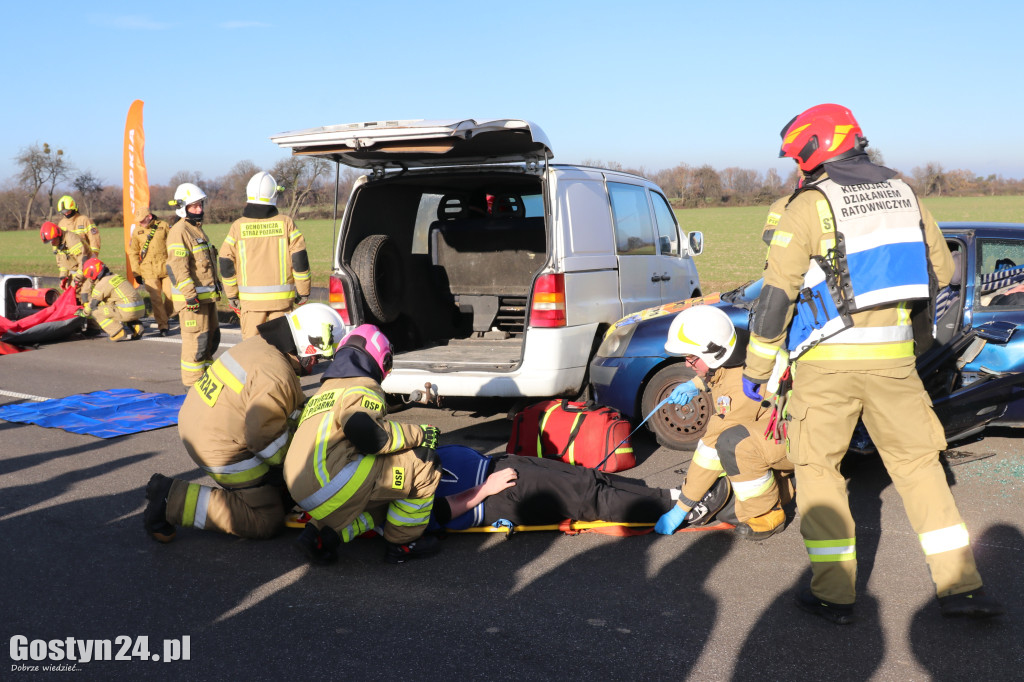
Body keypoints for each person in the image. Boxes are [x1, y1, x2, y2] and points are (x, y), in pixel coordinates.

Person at [744, 103, 1001, 623]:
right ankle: (962, 589)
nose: (797, 168)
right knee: (921, 470)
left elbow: (775, 298)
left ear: (813, 150)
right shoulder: (905, 194)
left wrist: (756, 371)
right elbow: (943, 271)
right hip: (896, 365)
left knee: (819, 471)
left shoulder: (809, 205)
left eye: (797, 158)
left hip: (825, 367)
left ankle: (833, 595)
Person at [143, 303, 346, 543]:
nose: (317, 364)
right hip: (221, 446)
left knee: (280, 489)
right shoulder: (276, 374)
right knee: (266, 518)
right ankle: (170, 499)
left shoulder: (263, 346)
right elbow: (263, 437)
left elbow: (288, 409)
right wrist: (293, 468)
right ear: (308, 345)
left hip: (202, 423)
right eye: (319, 357)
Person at [283, 324, 444, 565]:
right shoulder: (362, 387)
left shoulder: (325, 391)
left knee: (389, 493)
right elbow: (369, 435)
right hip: (330, 482)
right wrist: (420, 434)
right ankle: (403, 544)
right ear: (381, 360)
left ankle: (322, 536)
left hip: (302, 488)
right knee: (423, 461)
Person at [653, 305, 792, 540]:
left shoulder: (742, 387)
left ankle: (767, 513)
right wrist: (695, 384)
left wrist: (681, 508)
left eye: (691, 358)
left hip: (797, 439)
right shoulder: (738, 348)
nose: (687, 365)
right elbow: (721, 373)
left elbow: (710, 451)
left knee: (733, 443)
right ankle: (784, 483)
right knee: (729, 505)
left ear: (713, 354)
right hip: (783, 427)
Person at [430, 444, 691, 531]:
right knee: (587, 497)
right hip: (495, 492)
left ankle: (675, 496)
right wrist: (487, 489)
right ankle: (680, 507)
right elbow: (438, 512)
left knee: (589, 478)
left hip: (494, 464)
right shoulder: (399, 497)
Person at [219, 172, 311, 338]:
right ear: (273, 195)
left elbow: (226, 261)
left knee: (251, 349)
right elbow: (299, 259)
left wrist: (232, 294)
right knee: (282, 348)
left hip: (250, 304)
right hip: (281, 302)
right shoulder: (286, 223)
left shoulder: (238, 227)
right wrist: (303, 291)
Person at [166, 183, 220, 386]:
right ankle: (192, 389)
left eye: (200, 205)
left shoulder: (196, 230)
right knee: (195, 347)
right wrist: (190, 296)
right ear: (183, 207)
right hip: (193, 302)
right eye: (194, 206)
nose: (199, 209)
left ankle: (205, 385)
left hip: (206, 299)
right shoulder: (180, 231)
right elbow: (178, 267)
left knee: (209, 343)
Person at [127, 211, 175, 336]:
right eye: (139, 221)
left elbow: (174, 244)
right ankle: (163, 326)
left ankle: (164, 316)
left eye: (142, 220)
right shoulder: (137, 231)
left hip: (166, 267)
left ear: (149, 216)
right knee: (156, 299)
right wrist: (136, 273)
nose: (140, 223)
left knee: (171, 296)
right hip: (148, 270)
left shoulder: (164, 226)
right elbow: (133, 253)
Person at [80, 258, 145, 341]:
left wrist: (84, 312)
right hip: (139, 309)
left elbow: (93, 304)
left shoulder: (102, 284)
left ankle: (117, 332)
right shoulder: (116, 276)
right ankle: (136, 326)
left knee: (95, 311)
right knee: (112, 305)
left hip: (128, 311)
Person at [40, 220, 94, 302]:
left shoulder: (72, 240)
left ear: (58, 235)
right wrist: (63, 276)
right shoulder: (56, 244)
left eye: (52, 240)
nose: (51, 243)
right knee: (71, 296)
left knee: (85, 296)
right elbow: (62, 262)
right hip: (76, 270)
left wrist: (77, 278)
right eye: (49, 242)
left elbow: (83, 261)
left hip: (88, 269)